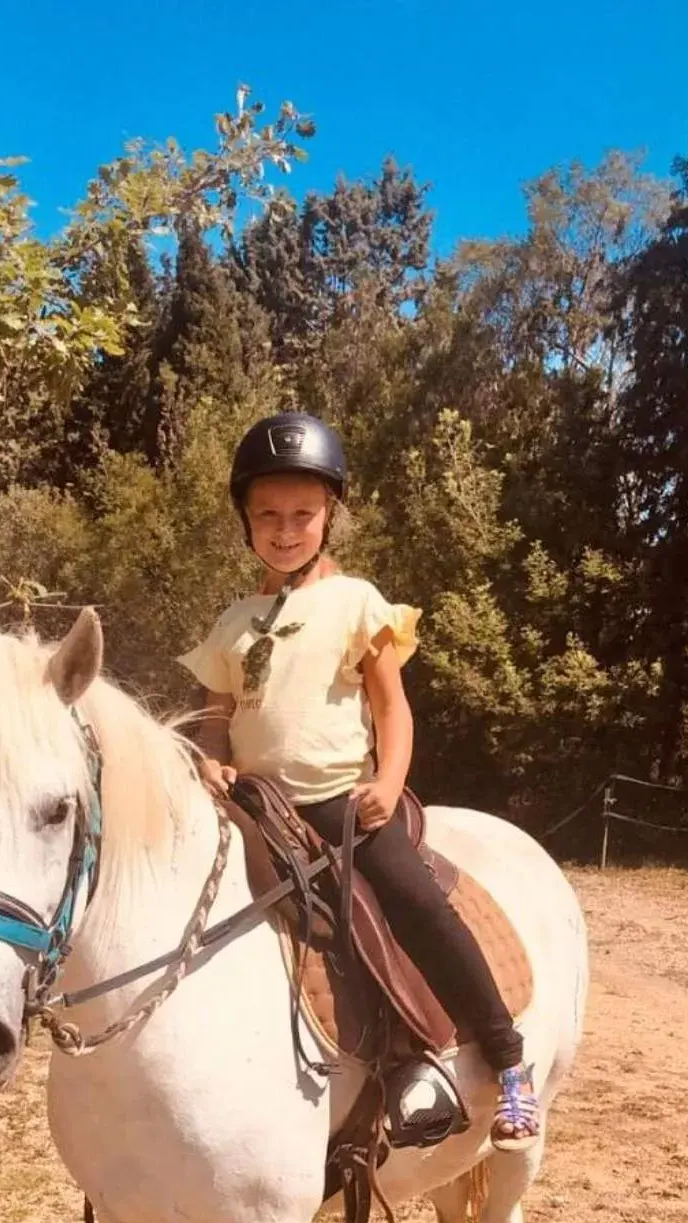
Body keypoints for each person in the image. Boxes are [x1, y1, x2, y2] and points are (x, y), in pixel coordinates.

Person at [179, 411, 539, 1151]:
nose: (286, 530)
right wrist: (211, 756)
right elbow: (215, 718)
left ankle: (503, 1060)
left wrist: (390, 777)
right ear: (245, 520)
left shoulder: (357, 602)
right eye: (268, 515)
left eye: (303, 515)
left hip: (344, 805)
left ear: (329, 515)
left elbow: (392, 708)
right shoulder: (232, 622)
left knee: (416, 905)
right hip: (255, 806)